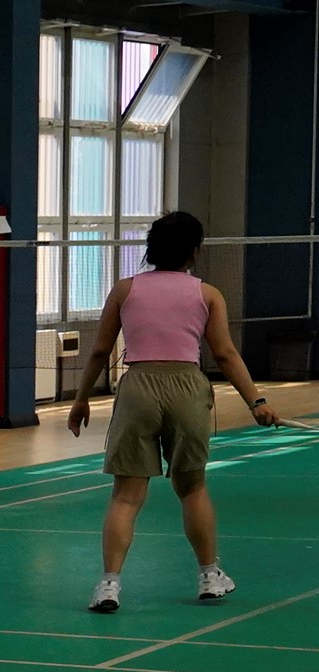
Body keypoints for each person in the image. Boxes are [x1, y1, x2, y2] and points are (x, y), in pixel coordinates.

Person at [66, 210, 281, 612]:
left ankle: (108, 585)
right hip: (187, 387)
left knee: (126, 496)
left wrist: (80, 400)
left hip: (138, 388)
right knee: (192, 488)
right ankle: (209, 576)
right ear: (194, 250)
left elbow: (100, 351)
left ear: (152, 247)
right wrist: (257, 402)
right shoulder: (208, 294)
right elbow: (224, 353)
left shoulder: (124, 290)